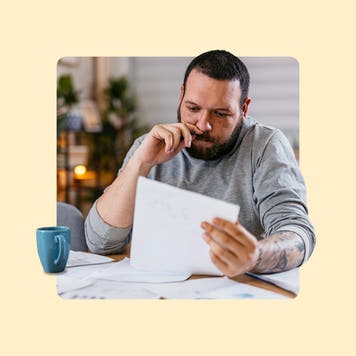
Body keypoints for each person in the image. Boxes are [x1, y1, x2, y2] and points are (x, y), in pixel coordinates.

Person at [84, 50, 315, 277]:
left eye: (221, 114)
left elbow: (298, 234)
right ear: (181, 96)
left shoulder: (265, 146)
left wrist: (255, 256)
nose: (203, 125)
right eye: (193, 108)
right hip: (157, 288)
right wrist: (140, 164)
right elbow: (99, 244)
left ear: (244, 109)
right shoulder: (150, 146)